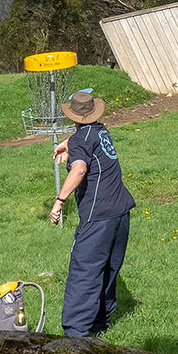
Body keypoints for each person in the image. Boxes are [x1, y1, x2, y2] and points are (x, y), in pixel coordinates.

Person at [49, 88, 135, 337]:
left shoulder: (80, 140)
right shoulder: (101, 131)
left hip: (98, 216)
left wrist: (59, 201)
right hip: (121, 212)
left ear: (73, 116)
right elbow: (87, 139)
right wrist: (69, 143)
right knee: (108, 267)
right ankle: (100, 323)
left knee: (84, 270)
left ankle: (76, 334)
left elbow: (78, 170)